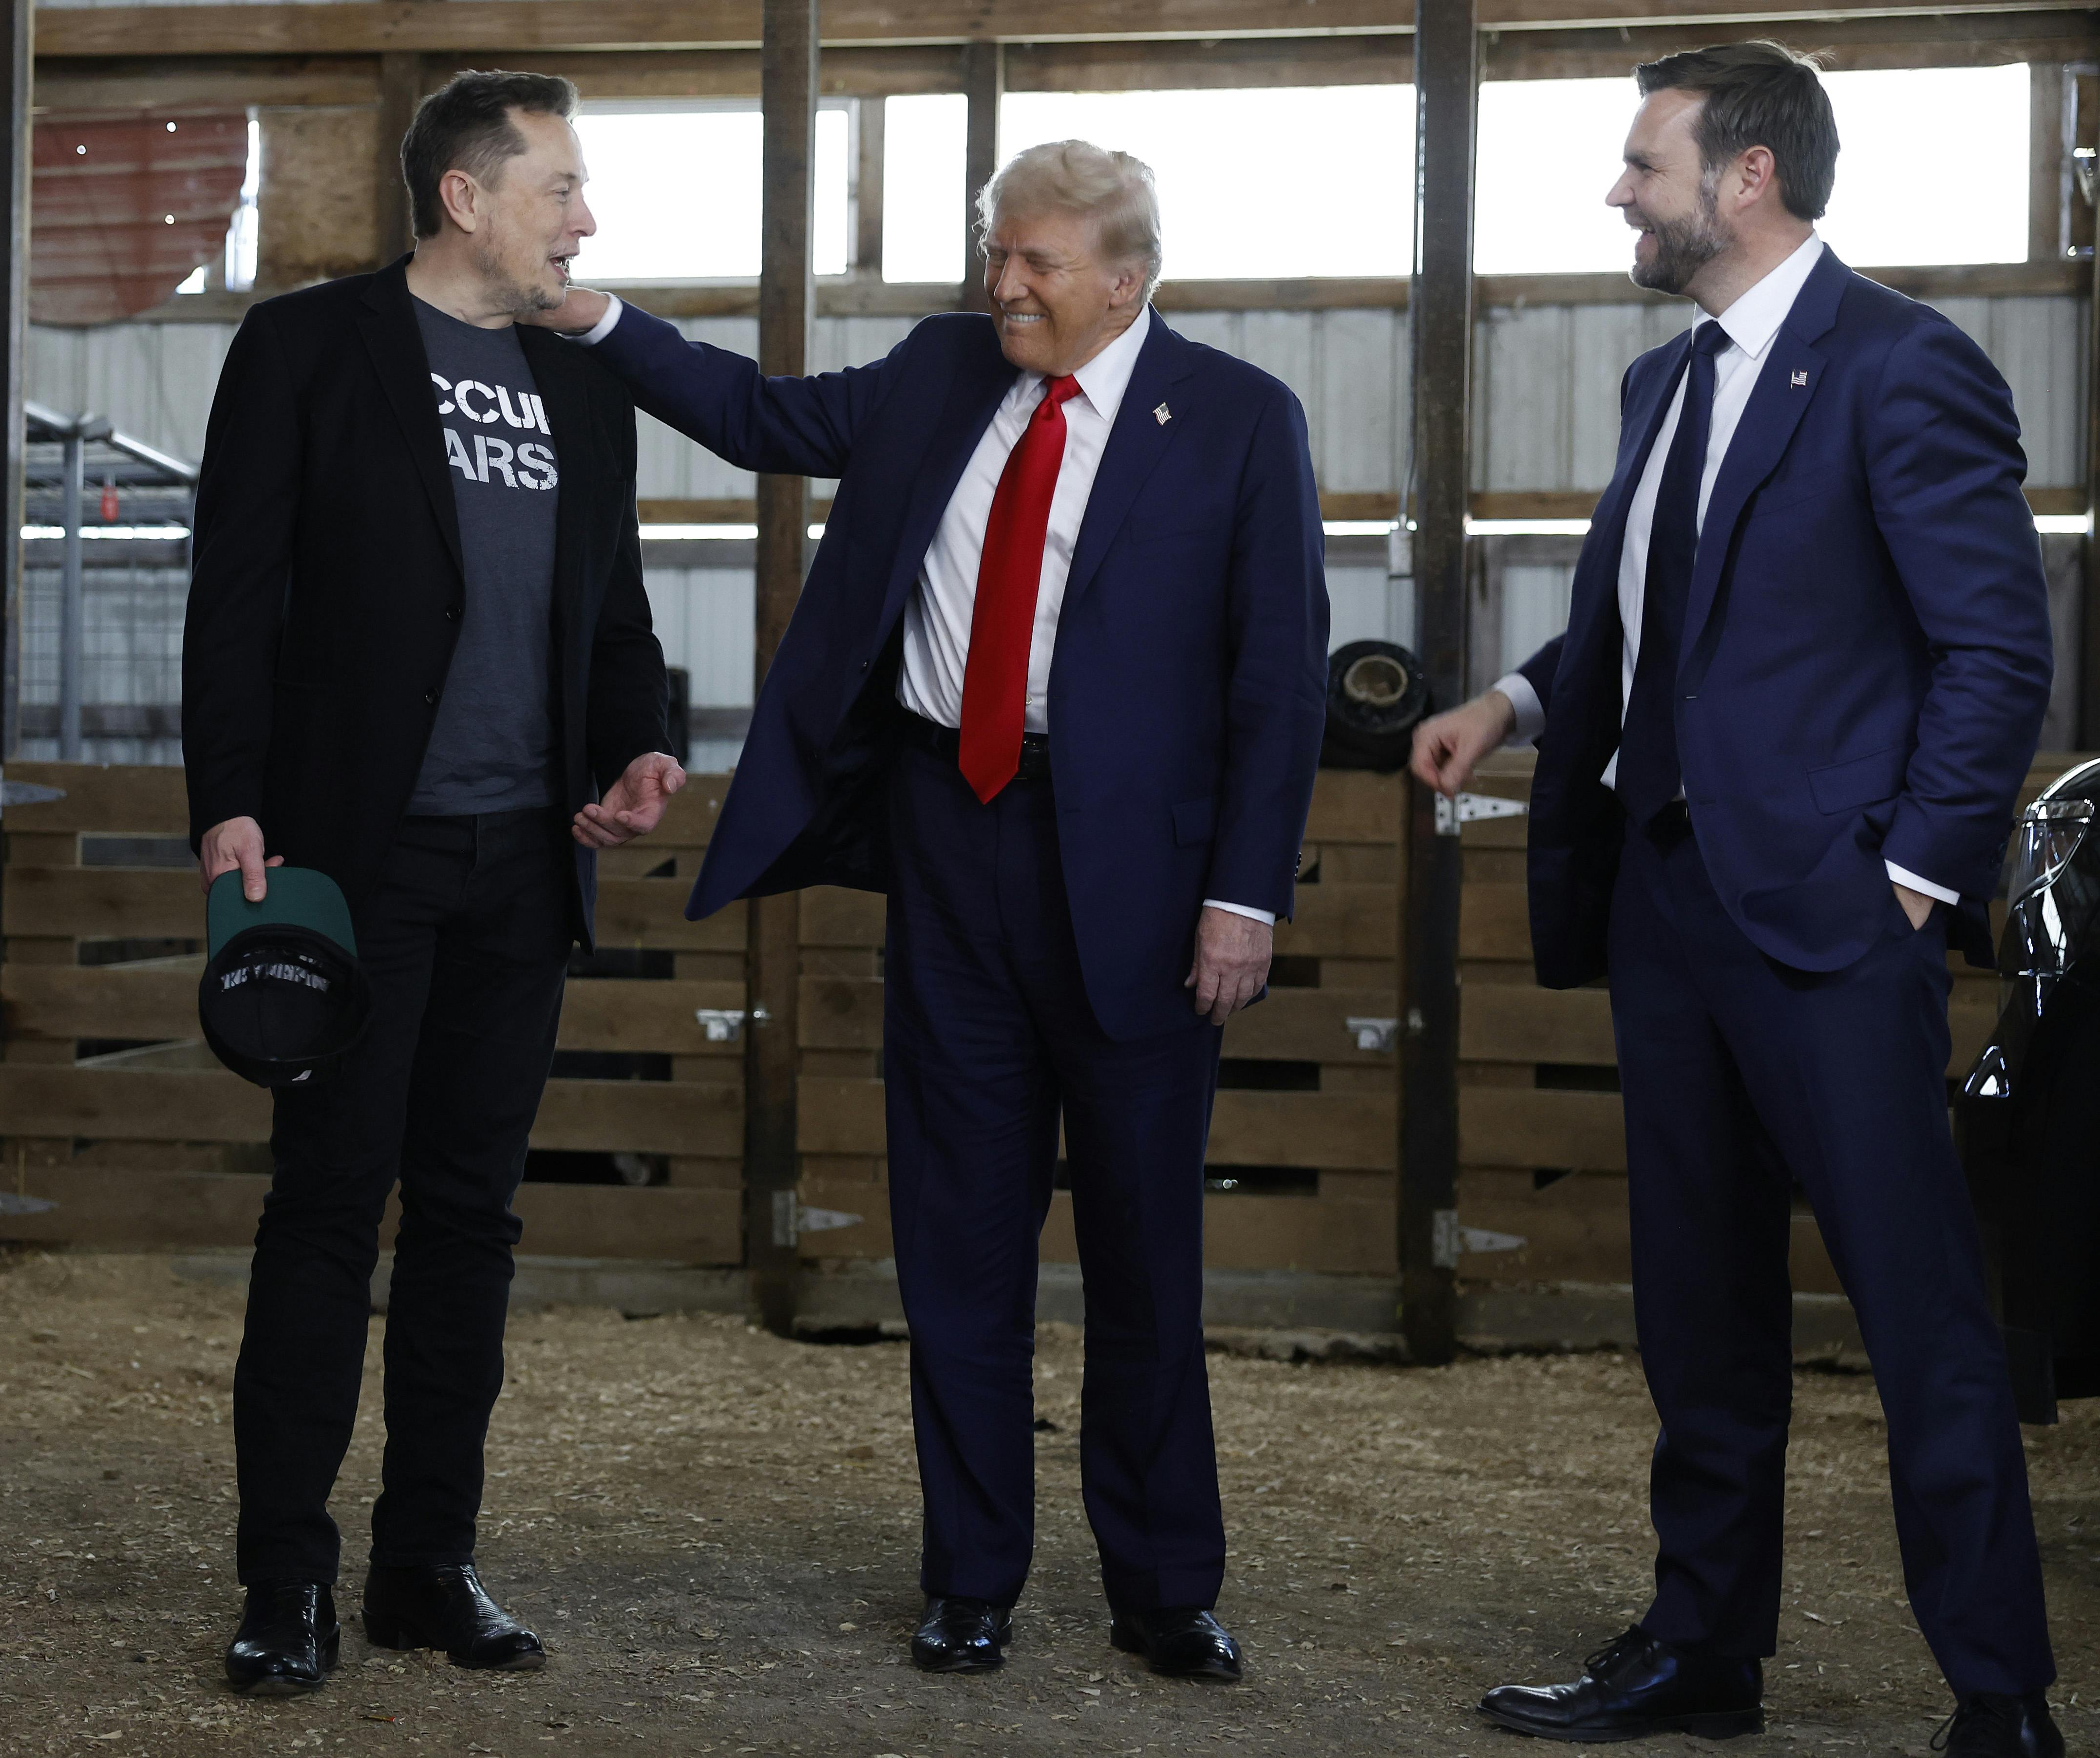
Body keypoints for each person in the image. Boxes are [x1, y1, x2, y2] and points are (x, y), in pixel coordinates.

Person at [524, 140, 1328, 1680]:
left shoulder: (1239, 420)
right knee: (958, 1236)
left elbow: (1279, 677)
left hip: (1149, 891)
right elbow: (761, 418)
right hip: (950, 847)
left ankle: (1165, 1584)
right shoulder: (943, 369)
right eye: (994, 254)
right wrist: (597, 322)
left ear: (1124, 279)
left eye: (1032, 262)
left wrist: (1242, 895)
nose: (1001, 283)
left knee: (1147, 1250)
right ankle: (973, 1572)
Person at [1410, 43, 2059, 1757]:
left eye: (1645, 163)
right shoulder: (1664, 386)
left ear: (1746, 177)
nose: (1621, 192)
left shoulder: (1906, 369)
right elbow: (1661, 623)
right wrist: (1524, 704)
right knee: (1698, 1314)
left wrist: (1913, 875)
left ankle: (2001, 1690)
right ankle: (1706, 1648)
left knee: (1919, 1315)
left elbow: (1996, 649)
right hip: (1671, 909)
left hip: (1840, 922)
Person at [181, 68, 682, 1697]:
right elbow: (235, 593)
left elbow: (614, 617)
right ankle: (284, 1580)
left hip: (525, 866)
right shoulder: (308, 350)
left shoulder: (582, 384)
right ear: (467, 198)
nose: (584, 218)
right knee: (328, 1206)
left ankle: (425, 1563)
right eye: (559, 188)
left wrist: (640, 748)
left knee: (471, 1219)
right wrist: (231, 805)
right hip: (355, 861)